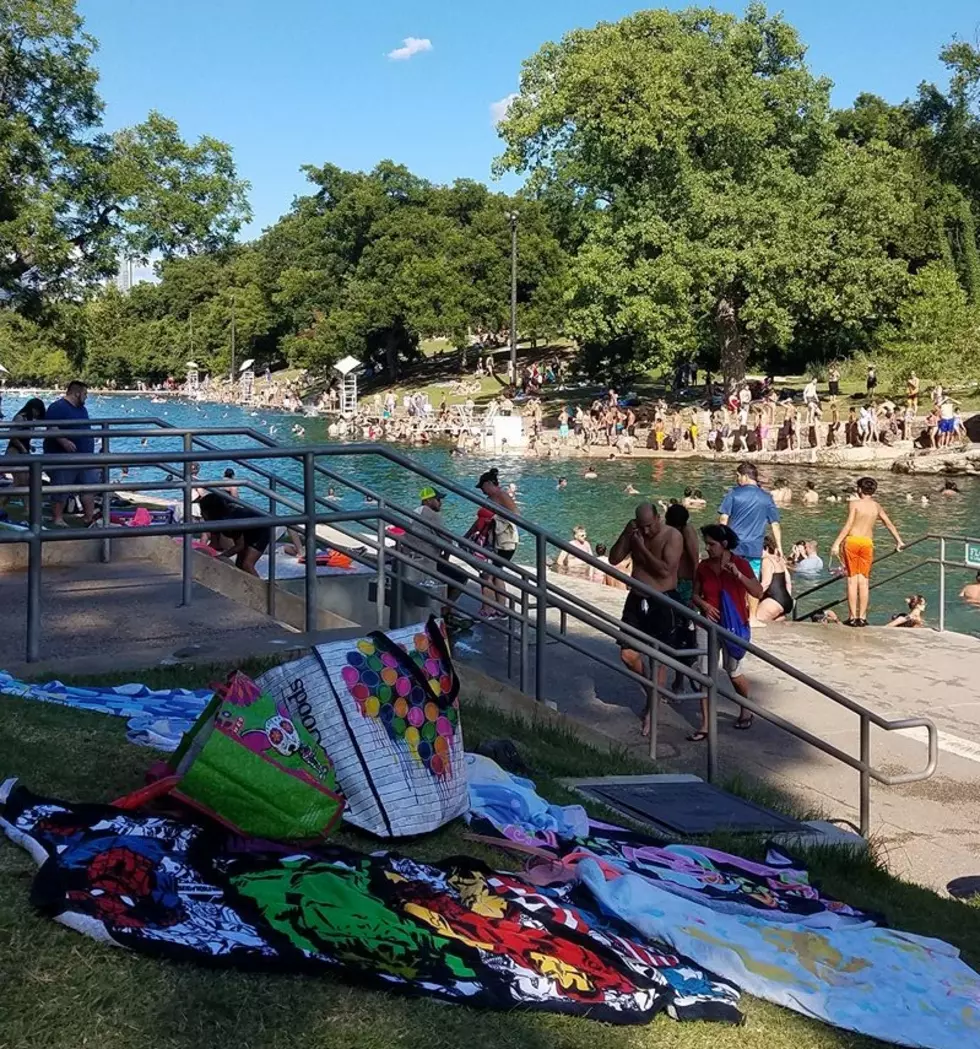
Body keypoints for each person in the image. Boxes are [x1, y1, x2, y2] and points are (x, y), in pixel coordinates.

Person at [610, 503, 683, 737]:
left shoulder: (672, 536)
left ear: (658, 518)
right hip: (637, 598)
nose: (647, 531)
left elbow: (664, 570)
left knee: (658, 659)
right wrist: (627, 534)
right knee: (628, 654)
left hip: (663, 600)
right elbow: (614, 558)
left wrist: (641, 547)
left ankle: (652, 713)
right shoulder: (636, 533)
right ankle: (653, 693)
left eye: (650, 526)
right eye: (642, 526)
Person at [689, 523, 763, 740]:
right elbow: (694, 595)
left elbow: (757, 591)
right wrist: (704, 606)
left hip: (733, 624)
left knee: (733, 671)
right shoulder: (703, 567)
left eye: (712, 544)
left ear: (724, 544)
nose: (708, 548)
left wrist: (738, 575)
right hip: (707, 624)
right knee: (705, 674)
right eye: (707, 544)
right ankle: (705, 724)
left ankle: (745, 707)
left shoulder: (740, 564)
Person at [830, 476, 904, 626]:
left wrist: (836, 543)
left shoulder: (854, 504)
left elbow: (849, 524)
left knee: (852, 581)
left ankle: (852, 617)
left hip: (852, 542)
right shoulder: (876, 506)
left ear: (859, 489)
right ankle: (862, 618)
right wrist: (898, 540)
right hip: (867, 543)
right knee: (864, 581)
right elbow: (888, 523)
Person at [43, 381, 98, 527]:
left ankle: (88, 517)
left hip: (85, 456)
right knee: (61, 487)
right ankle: (57, 518)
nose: (86, 397)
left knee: (89, 487)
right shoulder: (57, 407)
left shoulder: (82, 409)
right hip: (63, 457)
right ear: (77, 393)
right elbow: (50, 427)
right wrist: (63, 441)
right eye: (85, 394)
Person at [408, 486, 469, 616]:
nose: (441, 503)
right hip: (427, 561)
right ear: (428, 501)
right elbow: (448, 541)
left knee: (447, 573)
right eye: (438, 499)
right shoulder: (431, 514)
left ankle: (443, 608)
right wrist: (445, 558)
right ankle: (445, 610)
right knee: (461, 576)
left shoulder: (414, 512)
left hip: (411, 557)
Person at [718, 462, 783, 579]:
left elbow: (723, 519)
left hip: (734, 547)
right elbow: (775, 524)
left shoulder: (733, 493)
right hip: (755, 548)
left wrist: (721, 542)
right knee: (751, 582)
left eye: (738, 476)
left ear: (745, 476)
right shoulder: (767, 498)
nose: (737, 479)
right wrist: (779, 547)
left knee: (730, 581)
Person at [198, 491, 270, 576]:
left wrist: (220, 557)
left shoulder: (228, 523)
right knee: (239, 566)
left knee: (247, 564)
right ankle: (243, 586)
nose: (201, 514)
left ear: (209, 512)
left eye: (203, 511)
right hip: (248, 527)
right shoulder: (217, 521)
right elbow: (214, 544)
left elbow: (239, 546)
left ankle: (263, 588)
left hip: (261, 528)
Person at [2, 397, 45, 511]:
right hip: (15, 452)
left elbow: (23, 437)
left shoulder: (29, 420)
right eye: (38, 412)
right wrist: (23, 448)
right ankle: (24, 507)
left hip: (23, 451)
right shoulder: (20, 417)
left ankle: (27, 508)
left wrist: (29, 446)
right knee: (20, 482)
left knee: (24, 482)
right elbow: (12, 435)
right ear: (34, 409)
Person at [476, 468, 519, 562]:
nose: (482, 490)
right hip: (491, 538)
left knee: (496, 568)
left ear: (488, 483)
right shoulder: (489, 498)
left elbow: (516, 515)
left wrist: (496, 518)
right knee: (487, 568)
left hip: (504, 540)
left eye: (482, 487)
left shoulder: (502, 495)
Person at [756, 536, 794, 623]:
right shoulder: (779, 560)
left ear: (766, 548)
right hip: (787, 600)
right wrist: (788, 597)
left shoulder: (767, 561)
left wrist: (754, 595)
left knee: (756, 620)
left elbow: (766, 583)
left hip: (775, 600)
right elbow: (788, 582)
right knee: (772, 627)